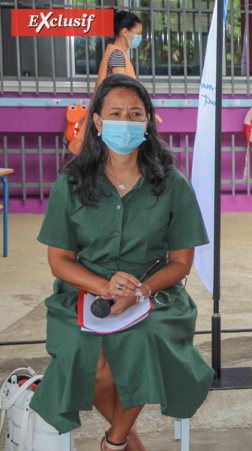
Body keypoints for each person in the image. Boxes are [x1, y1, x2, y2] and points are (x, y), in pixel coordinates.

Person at [31, 74, 213, 451]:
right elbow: (59, 260)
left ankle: (114, 443)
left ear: (148, 121)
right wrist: (103, 287)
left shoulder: (172, 183)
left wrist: (140, 291)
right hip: (83, 293)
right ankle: (133, 444)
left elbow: (180, 263)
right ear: (97, 122)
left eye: (135, 114)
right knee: (90, 356)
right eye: (115, 113)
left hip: (154, 293)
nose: (125, 122)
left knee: (143, 341)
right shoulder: (71, 183)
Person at [70, 10, 161, 155]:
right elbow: (123, 88)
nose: (139, 37)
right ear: (125, 32)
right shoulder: (117, 54)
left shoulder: (113, 52)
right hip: (116, 121)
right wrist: (145, 110)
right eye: (138, 33)